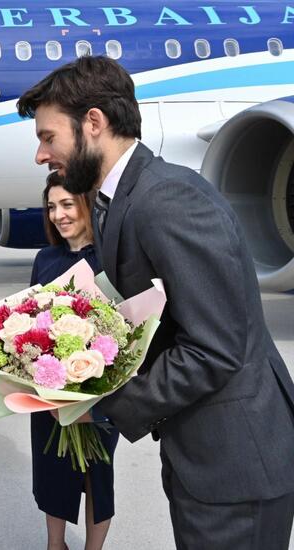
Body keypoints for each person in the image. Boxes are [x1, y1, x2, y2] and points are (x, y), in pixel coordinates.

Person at [17, 55, 294, 548]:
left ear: (94, 123)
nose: (41, 155)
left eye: (48, 137)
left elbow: (214, 348)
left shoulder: (167, 198)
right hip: (202, 454)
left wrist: (102, 406)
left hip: (237, 459)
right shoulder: (118, 202)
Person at [30, 172, 118, 550]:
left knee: (97, 473)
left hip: (100, 385)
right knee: (52, 467)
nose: (58, 215)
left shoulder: (112, 258)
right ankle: (56, 545)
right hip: (50, 386)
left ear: (87, 205)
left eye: (67, 205)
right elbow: (31, 318)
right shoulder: (45, 258)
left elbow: (126, 323)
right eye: (52, 207)